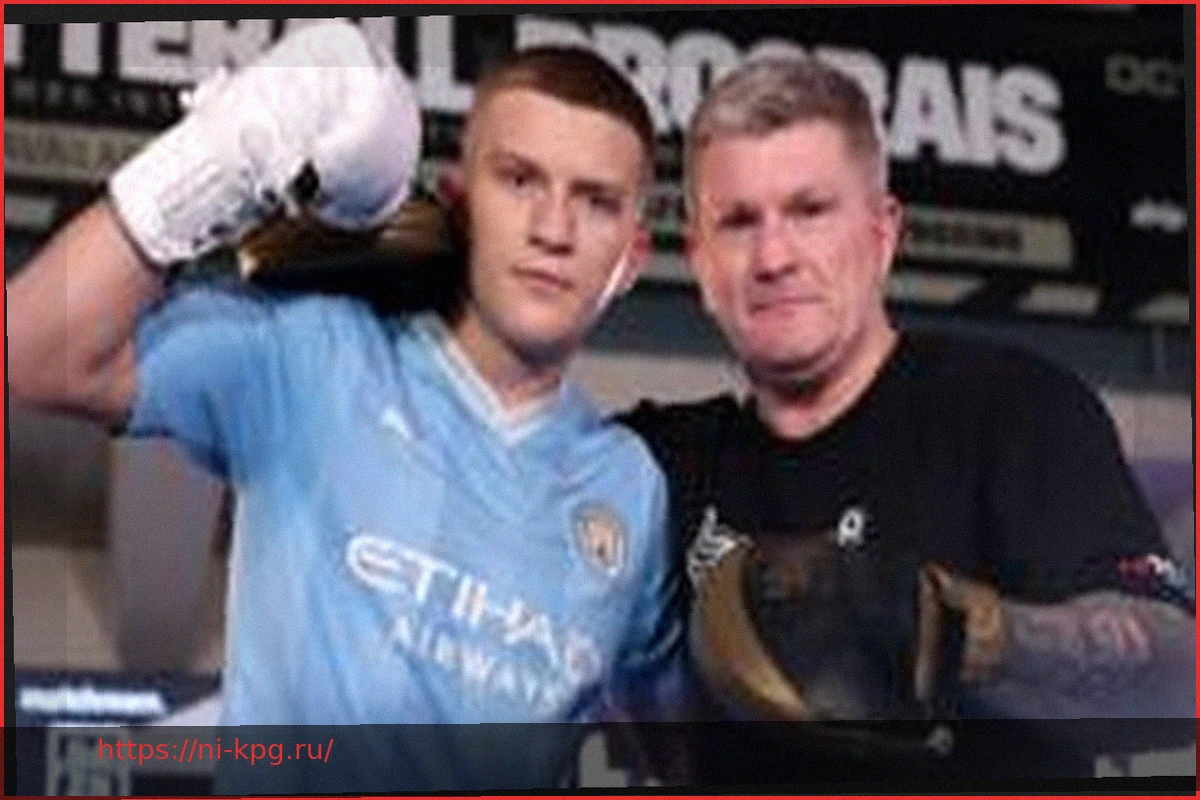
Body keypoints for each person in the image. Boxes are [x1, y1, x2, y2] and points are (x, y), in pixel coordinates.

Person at [6, 22, 681, 791]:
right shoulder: (314, 353)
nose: (553, 229)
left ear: (632, 256)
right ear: (461, 203)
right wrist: (222, 153)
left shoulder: (636, 492)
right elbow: (31, 355)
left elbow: (679, 746)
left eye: (596, 201)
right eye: (520, 180)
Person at [618, 57, 1196, 788]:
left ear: (882, 234)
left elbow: (1178, 686)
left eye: (809, 210)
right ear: (701, 261)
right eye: (738, 222)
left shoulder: (1011, 408)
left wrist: (959, 631)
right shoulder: (655, 465)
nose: (773, 257)